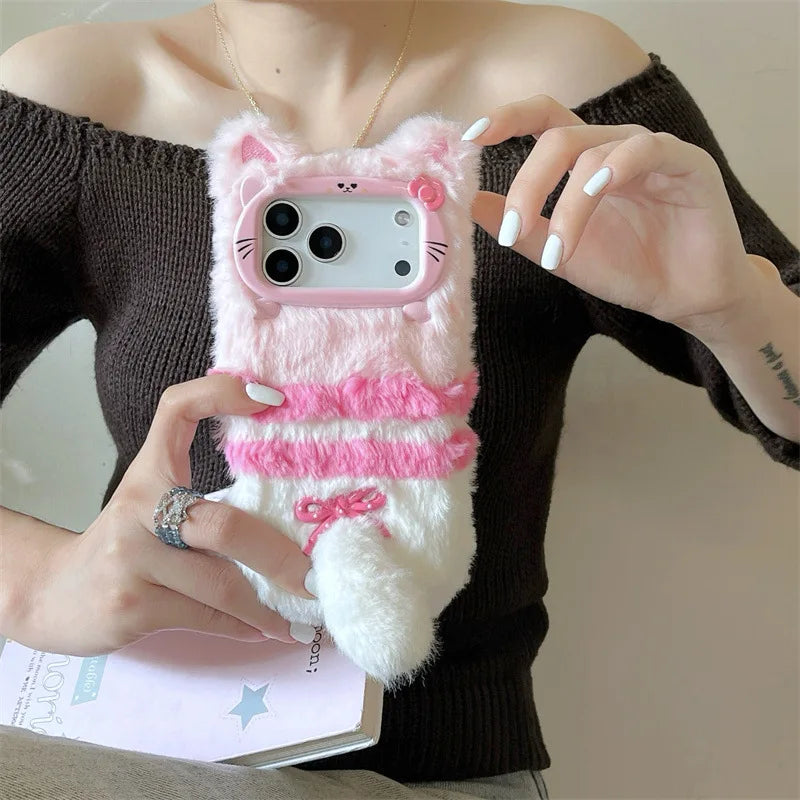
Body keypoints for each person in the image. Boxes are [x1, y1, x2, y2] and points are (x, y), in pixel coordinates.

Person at [0, 1, 797, 798]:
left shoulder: (565, 89)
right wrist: (37, 584)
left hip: (443, 770)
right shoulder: (72, 98)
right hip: (136, 752)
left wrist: (736, 309)